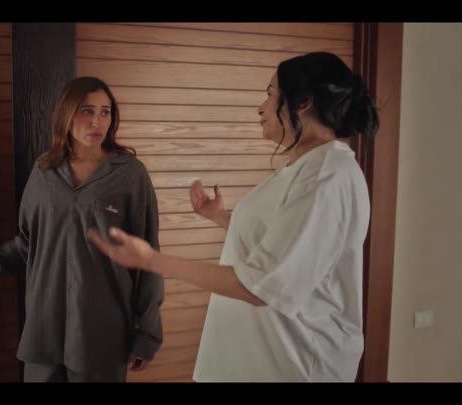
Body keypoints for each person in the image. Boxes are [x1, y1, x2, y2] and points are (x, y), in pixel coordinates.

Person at [87, 52, 378, 382]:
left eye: (270, 94)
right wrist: (223, 218)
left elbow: (262, 287)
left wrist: (152, 260)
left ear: (302, 103)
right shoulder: (304, 167)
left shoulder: (327, 175)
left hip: (293, 366)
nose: (261, 107)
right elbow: (287, 242)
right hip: (253, 361)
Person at [0, 76, 164, 383]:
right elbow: (25, 247)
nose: (97, 121)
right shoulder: (44, 170)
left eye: (105, 112)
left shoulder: (130, 175)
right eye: (87, 111)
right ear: (66, 114)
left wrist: (146, 334)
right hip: (44, 334)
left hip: (101, 338)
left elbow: (149, 259)